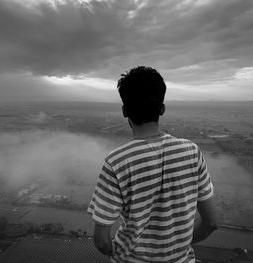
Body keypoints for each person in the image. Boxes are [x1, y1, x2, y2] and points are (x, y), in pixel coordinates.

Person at [87, 66, 218, 263]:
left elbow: (101, 241)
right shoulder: (192, 151)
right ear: (162, 109)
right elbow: (212, 222)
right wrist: (180, 247)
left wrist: (117, 253)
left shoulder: (117, 162)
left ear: (124, 111)